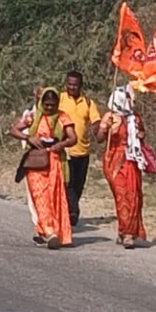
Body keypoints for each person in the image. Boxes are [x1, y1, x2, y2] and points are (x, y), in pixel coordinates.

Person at [9, 88, 76, 249]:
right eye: (46, 105)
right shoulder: (33, 117)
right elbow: (14, 130)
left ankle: (56, 233)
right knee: (40, 197)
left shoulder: (62, 117)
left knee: (54, 197)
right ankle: (49, 232)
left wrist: (62, 144)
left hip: (54, 161)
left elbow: (73, 137)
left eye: (52, 105)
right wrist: (29, 138)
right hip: (35, 162)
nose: (49, 108)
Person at [95, 84, 148, 249]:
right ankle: (127, 234)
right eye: (129, 97)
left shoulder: (135, 118)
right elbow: (99, 139)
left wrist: (140, 135)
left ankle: (126, 232)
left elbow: (143, 135)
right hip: (114, 162)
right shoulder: (110, 117)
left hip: (132, 161)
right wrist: (104, 129)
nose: (133, 100)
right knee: (122, 196)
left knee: (134, 197)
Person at [60, 71, 102, 226]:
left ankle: (68, 209)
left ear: (80, 86)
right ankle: (73, 211)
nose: (72, 87)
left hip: (83, 151)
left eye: (75, 85)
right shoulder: (60, 99)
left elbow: (96, 121)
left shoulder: (88, 103)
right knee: (69, 183)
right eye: (69, 84)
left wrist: (100, 129)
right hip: (66, 151)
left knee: (78, 185)